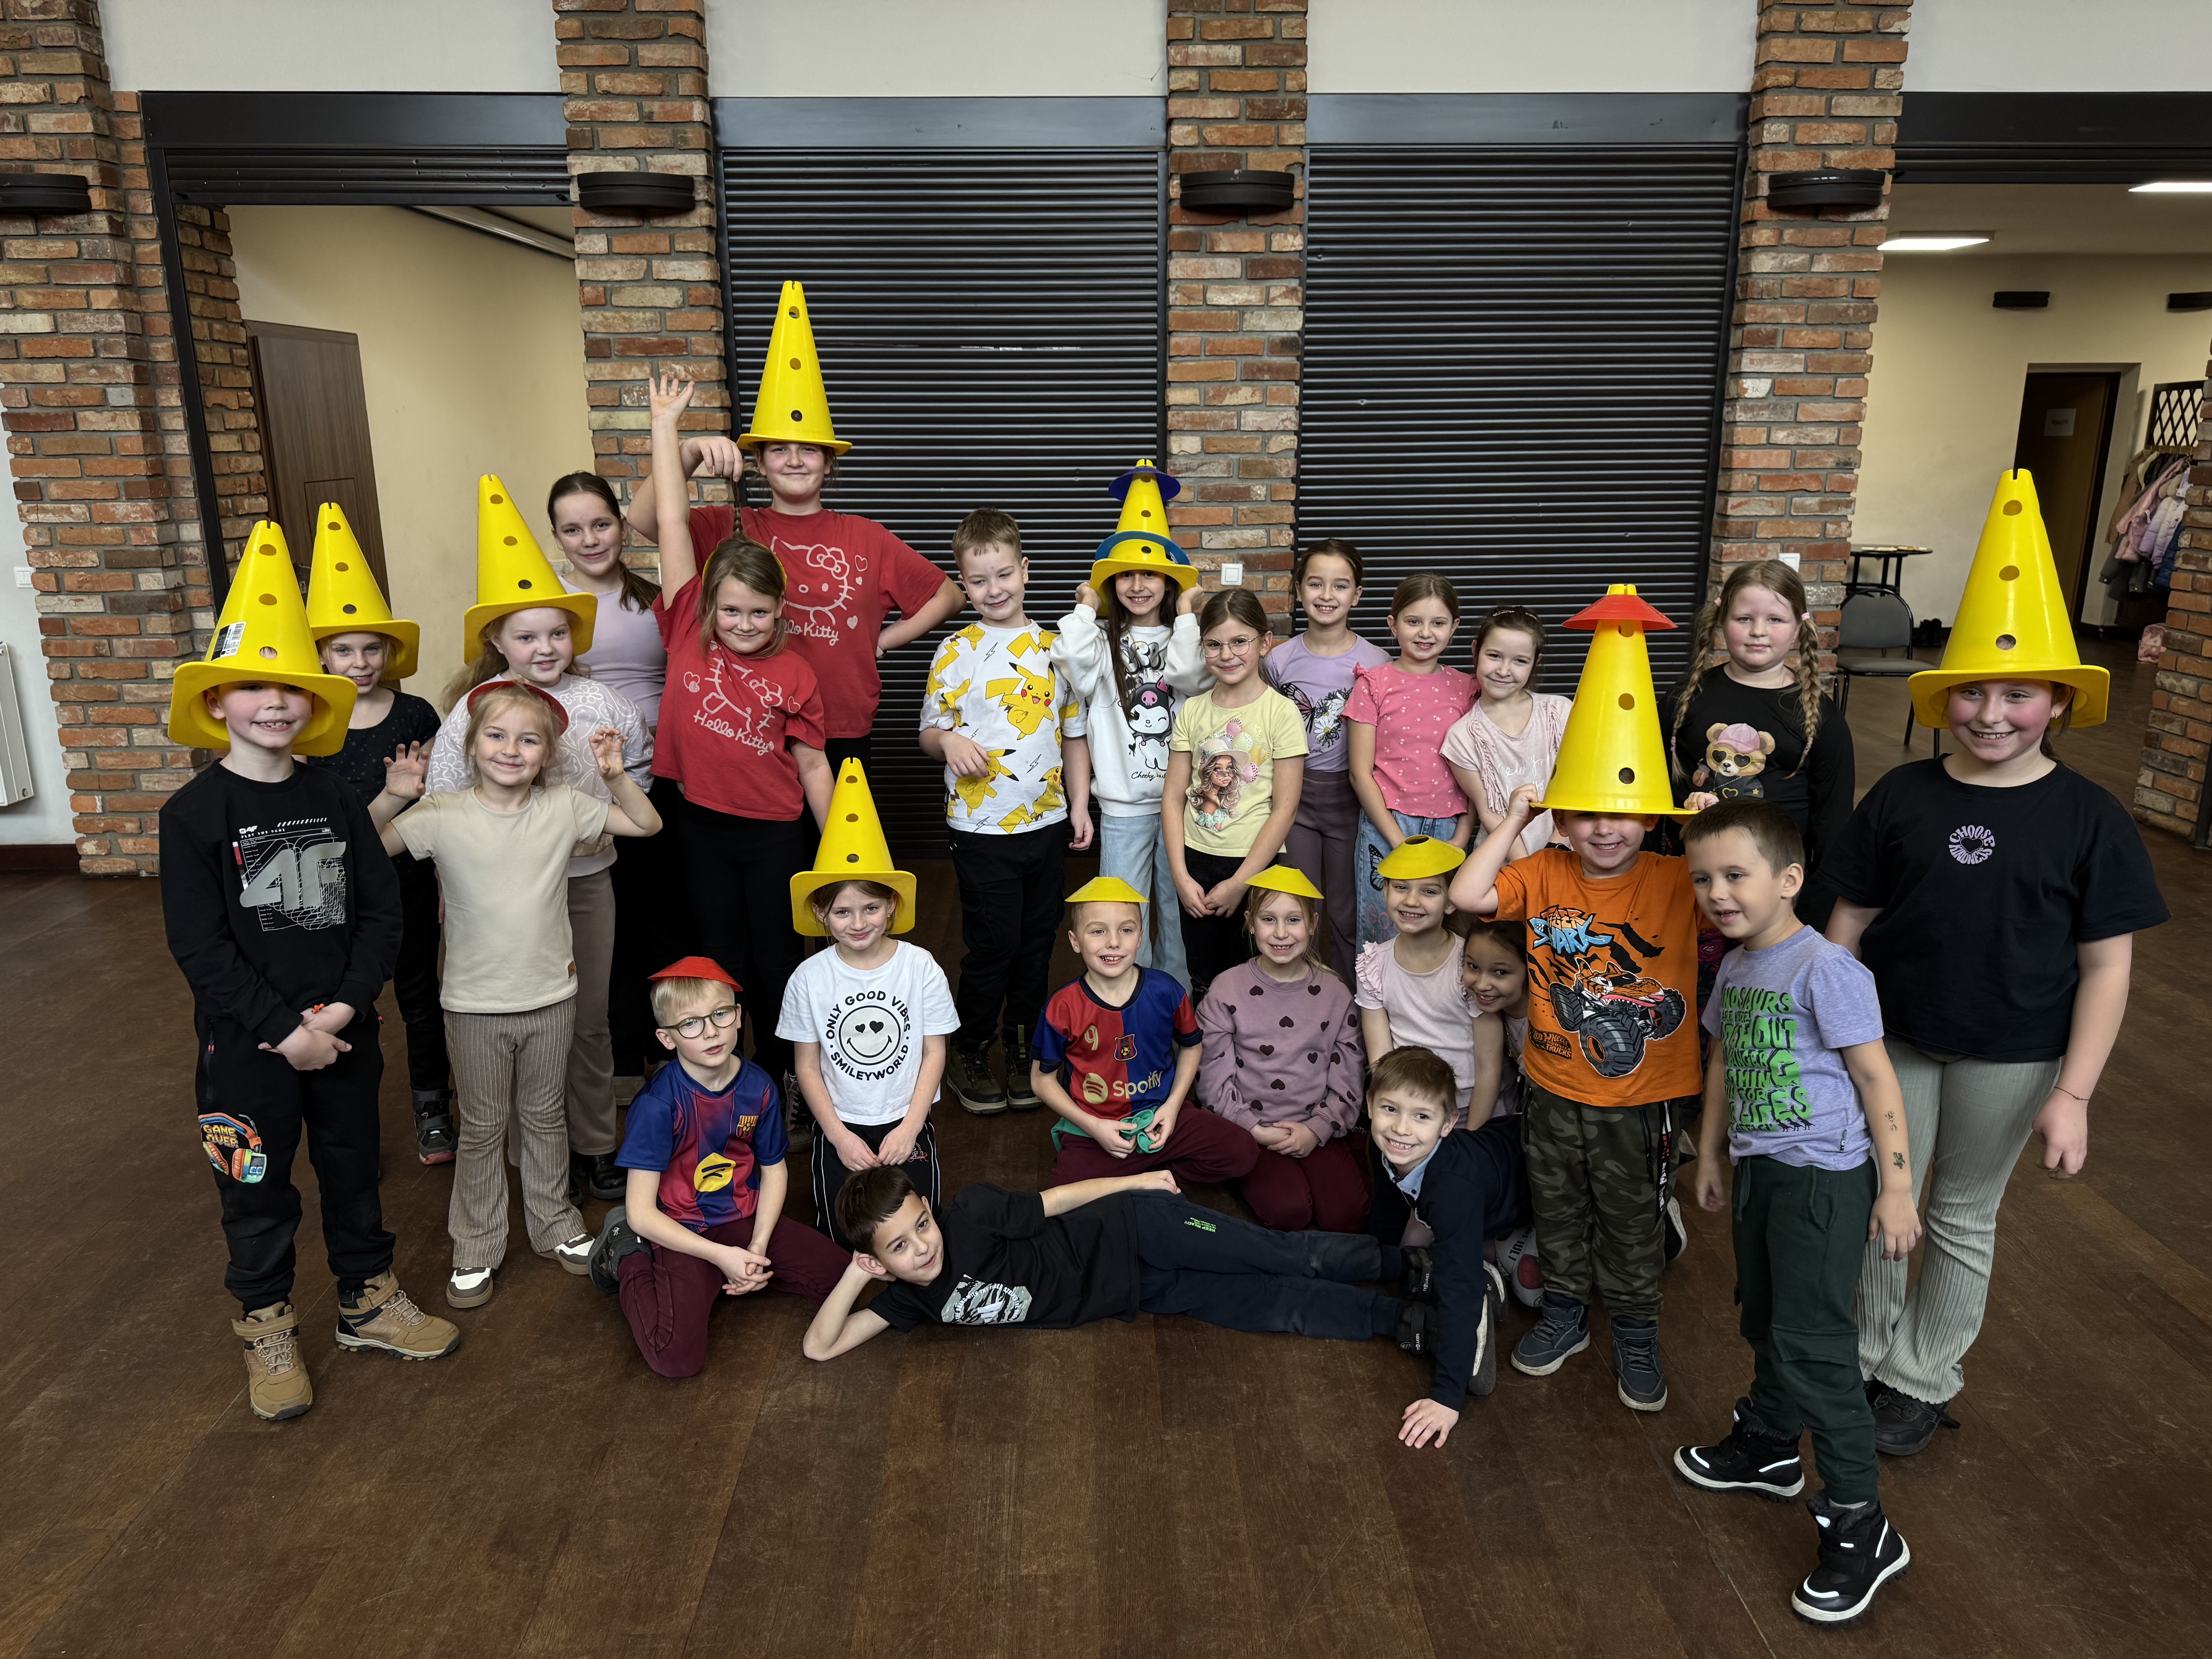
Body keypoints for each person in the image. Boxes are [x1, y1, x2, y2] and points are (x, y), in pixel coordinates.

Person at [1825, 469, 2166, 1458]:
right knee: (1883, 1197)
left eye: (2018, 694)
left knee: (1963, 1215)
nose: (1991, 713)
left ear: (2058, 701)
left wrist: (2076, 1094)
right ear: (1945, 698)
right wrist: (1830, 1029)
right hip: (1893, 1038)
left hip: (2015, 1051)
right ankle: (1861, 1356)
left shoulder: (2091, 820)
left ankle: (1921, 1377)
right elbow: (1851, 918)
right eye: (1972, 691)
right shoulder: (1903, 795)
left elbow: (2107, 968)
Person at [160, 522, 457, 1422]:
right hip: (246, 1053)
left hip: (343, 1034)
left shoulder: (333, 797)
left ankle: (368, 1301)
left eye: (292, 687)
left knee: (354, 1167)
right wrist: (284, 1031)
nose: (275, 703)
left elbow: (381, 913)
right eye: (254, 687)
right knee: (254, 1186)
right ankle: (267, 1323)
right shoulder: (193, 815)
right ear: (218, 700)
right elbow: (200, 947)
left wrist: (341, 1012)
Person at [1448, 584, 1701, 1413]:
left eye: (1623, 815)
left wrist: (1708, 827)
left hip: (1641, 1096)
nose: (1604, 828)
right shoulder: (1544, 869)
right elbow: (1470, 895)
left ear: (1651, 820)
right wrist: (1514, 815)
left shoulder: (1676, 878)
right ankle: (1564, 1311)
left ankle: (1635, 1327)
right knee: (1555, 1204)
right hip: (1554, 1085)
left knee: (1631, 1217)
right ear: (1562, 818)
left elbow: (1755, 894)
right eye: (1586, 812)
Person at [1675, 800, 1920, 1627]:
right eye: (1702, 878)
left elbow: (1877, 1078)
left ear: (1789, 878)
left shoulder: (1827, 968)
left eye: (1734, 875)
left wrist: (1896, 1187)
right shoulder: (1739, 966)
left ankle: (1862, 1522)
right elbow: (1722, 1060)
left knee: (1815, 1345)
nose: (1717, 892)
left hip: (1824, 1180)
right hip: (1762, 1173)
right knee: (1765, 1315)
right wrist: (1712, 1153)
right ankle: (1772, 1444)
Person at [375, 681, 663, 1310]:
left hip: (552, 996)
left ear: (547, 754)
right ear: (472, 745)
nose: (511, 749)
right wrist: (393, 796)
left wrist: (614, 775)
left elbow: (647, 823)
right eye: (497, 736)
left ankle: (555, 1223)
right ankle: (476, 1243)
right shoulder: (441, 813)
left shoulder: (564, 806)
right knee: (482, 1128)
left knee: (544, 1115)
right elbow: (363, 850)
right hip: (474, 1006)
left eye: (529, 740)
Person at [623, 280, 964, 773]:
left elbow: (948, 596)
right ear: (760, 464)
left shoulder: (867, 537)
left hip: (842, 725)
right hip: (752, 723)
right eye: (779, 450)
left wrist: (882, 641)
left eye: (809, 450)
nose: (795, 460)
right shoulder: (729, 529)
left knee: (841, 824)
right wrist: (688, 453)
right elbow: (643, 520)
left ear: (829, 463)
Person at [431, 475, 649, 1207]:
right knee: (515, 1023)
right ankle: (532, 1150)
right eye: (526, 636)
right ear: (498, 641)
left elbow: (638, 774)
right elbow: (443, 806)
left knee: (586, 1020)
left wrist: (606, 795)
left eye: (557, 633)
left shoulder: (602, 703)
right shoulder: (471, 713)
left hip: (585, 885)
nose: (545, 647)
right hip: (498, 901)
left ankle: (595, 1141)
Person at [643, 371, 833, 1098]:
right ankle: (734, 1078)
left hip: (776, 834)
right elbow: (670, 523)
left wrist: (841, 852)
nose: (744, 624)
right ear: (708, 607)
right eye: (731, 611)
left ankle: (791, 1080)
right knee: (721, 960)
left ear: (780, 609)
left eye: (758, 612)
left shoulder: (796, 671)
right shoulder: (687, 626)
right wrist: (667, 427)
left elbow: (813, 767)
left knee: (780, 960)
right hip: (700, 828)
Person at [801, 1164, 1429, 1364]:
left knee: (1275, 1253)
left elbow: (1055, 1200)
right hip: (1139, 1290)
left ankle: (1406, 1265)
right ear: (879, 1261)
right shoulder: (909, 1298)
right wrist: (859, 1272)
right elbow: (820, 1347)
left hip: (1138, 1226)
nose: (922, 1246)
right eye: (899, 1248)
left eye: (921, 1224)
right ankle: (1395, 1319)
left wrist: (1139, 1182)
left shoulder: (969, 1215)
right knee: (1268, 1305)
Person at [922, 508, 1091, 1115]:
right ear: (964, 585)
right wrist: (948, 742)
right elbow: (929, 731)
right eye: (979, 580)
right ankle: (971, 1048)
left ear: (1025, 570)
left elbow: (1074, 736)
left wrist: (1080, 806)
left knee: (1037, 944)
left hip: (1045, 824)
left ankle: (1023, 1048)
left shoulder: (1055, 651)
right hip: (980, 829)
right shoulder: (955, 650)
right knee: (994, 945)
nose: (994, 590)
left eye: (1003, 575)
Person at [299, 501, 451, 1164]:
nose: (360, 662)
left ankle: (433, 1108)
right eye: (343, 649)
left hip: (407, 881)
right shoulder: (308, 723)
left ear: (389, 651)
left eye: (371, 648)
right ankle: (348, 1125)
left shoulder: (415, 713)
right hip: (332, 890)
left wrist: (437, 871)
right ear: (320, 654)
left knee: (419, 997)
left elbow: (438, 803)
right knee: (345, 1000)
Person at [545, 469, 691, 1091]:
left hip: (661, 777)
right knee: (607, 924)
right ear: (557, 537)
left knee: (666, 915)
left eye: (601, 524)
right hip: (582, 784)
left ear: (623, 527)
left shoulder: (655, 598)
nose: (590, 539)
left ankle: (674, 1051)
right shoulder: (549, 603)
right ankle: (622, 1056)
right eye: (573, 529)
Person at [777, 763, 959, 1249]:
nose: (858, 923)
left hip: (906, 1120)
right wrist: (838, 1136)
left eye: (871, 908)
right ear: (821, 912)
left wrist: (911, 1128)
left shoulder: (920, 967)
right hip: (841, 1123)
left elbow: (935, 1052)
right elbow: (807, 1066)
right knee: (841, 1236)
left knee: (924, 1226)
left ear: (892, 905)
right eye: (842, 912)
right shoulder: (809, 978)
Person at [1051, 459, 1209, 988]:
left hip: (1182, 805)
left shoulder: (1187, 637)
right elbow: (1072, 666)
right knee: (1123, 915)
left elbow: (1189, 676)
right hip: (1123, 807)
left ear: (1169, 581)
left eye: (1151, 575)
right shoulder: (1099, 641)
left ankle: (1177, 1003)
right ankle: (1127, 1001)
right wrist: (1085, 606)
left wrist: (1186, 613)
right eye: (1125, 575)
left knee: (1178, 912)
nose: (1138, 585)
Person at [1664, 558, 1853, 930]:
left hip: (1775, 895)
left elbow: (1833, 822)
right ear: (1722, 620)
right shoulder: (1685, 699)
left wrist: (1816, 908)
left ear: (1799, 629)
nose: (1758, 632)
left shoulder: (1821, 718)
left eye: (1775, 620)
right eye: (1744, 618)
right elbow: (1653, 791)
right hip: (1692, 883)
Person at [1036, 877, 1259, 1191]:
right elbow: (1041, 1081)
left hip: (1161, 1115)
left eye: (1126, 930)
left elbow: (1192, 1046)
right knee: (1067, 1198)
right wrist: (1094, 1126)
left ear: (1141, 937)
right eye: (1098, 931)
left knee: (1242, 1152)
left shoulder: (1166, 990)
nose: (1114, 942)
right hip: (1094, 1129)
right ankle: (1144, 1180)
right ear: (1075, 941)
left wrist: (1172, 1106)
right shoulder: (1062, 1007)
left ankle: (1139, 1179)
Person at [1366, 1046, 1533, 1449]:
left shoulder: (1452, 1191)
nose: (1401, 1129)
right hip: (1492, 1169)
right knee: (1412, 1252)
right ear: (1370, 1105)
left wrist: (1446, 1397)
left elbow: (1460, 1288)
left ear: (1448, 1124)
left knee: (1530, 1287)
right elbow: (1388, 1202)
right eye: (1390, 1109)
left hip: (1538, 1188)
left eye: (1421, 1117)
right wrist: (1377, 1256)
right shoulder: (1385, 1144)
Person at [1196, 867, 1369, 1233]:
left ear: (1313, 924)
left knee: (1347, 1217)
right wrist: (1253, 1130)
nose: (1280, 933)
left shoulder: (1336, 994)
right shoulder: (1226, 990)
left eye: (1293, 920)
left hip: (1319, 1125)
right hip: (1251, 1129)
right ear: (1250, 923)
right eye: (1268, 920)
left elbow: (1349, 1078)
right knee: (1290, 1213)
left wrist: (1317, 1130)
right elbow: (1212, 1078)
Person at [1163, 589, 1308, 1000]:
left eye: (1240, 641)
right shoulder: (1193, 711)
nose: (1227, 654)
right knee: (1205, 979)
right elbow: (1172, 798)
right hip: (1195, 862)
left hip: (1254, 865)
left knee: (1256, 977)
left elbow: (1285, 808)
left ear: (1265, 642)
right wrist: (1181, 876)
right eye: (1214, 644)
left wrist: (1240, 882)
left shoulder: (1281, 712)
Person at [1271, 539, 1389, 981]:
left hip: (1350, 800)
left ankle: (1353, 998)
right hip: (1294, 800)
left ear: (1356, 595)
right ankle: (1300, 994)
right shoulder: (1278, 660)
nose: (1326, 595)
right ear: (1298, 589)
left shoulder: (1376, 661)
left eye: (1340, 586)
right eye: (1315, 584)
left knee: (1347, 907)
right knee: (1297, 902)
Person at [1346, 574, 1476, 949]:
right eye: (1413, 621)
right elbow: (1360, 773)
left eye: (1438, 623)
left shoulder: (1468, 688)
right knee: (1383, 932)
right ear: (1393, 624)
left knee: (1447, 934)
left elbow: (1477, 772)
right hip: (1388, 823)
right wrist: (1396, 839)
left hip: (1449, 827)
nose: (1425, 633)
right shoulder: (1374, 683)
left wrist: (1462, 836)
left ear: (1454, 627)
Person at [1355, 837, 1492, 1125]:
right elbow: (1381, 1061)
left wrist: (1472, 1139)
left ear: (1451, 903)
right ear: (1385, 892)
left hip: (1468, 1111)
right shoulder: (1373, 964)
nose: (1411, 901)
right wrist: (1399, 1120)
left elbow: (1489, 1068)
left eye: (1429, 891)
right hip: (1406, 1113)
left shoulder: (1471, 964)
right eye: (1401, 888)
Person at [1442, 606, 1571, 863]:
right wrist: (1529, 870)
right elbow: (1490, 813)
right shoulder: (1462, 737)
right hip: (1506, 866)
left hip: (1569, 855)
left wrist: (1557, 850)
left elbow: (1579, 787)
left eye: (1520, 661)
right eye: (1494, 656)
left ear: (1536, 662)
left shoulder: (1559, 712)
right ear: (1475, 650)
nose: (1503, 671)